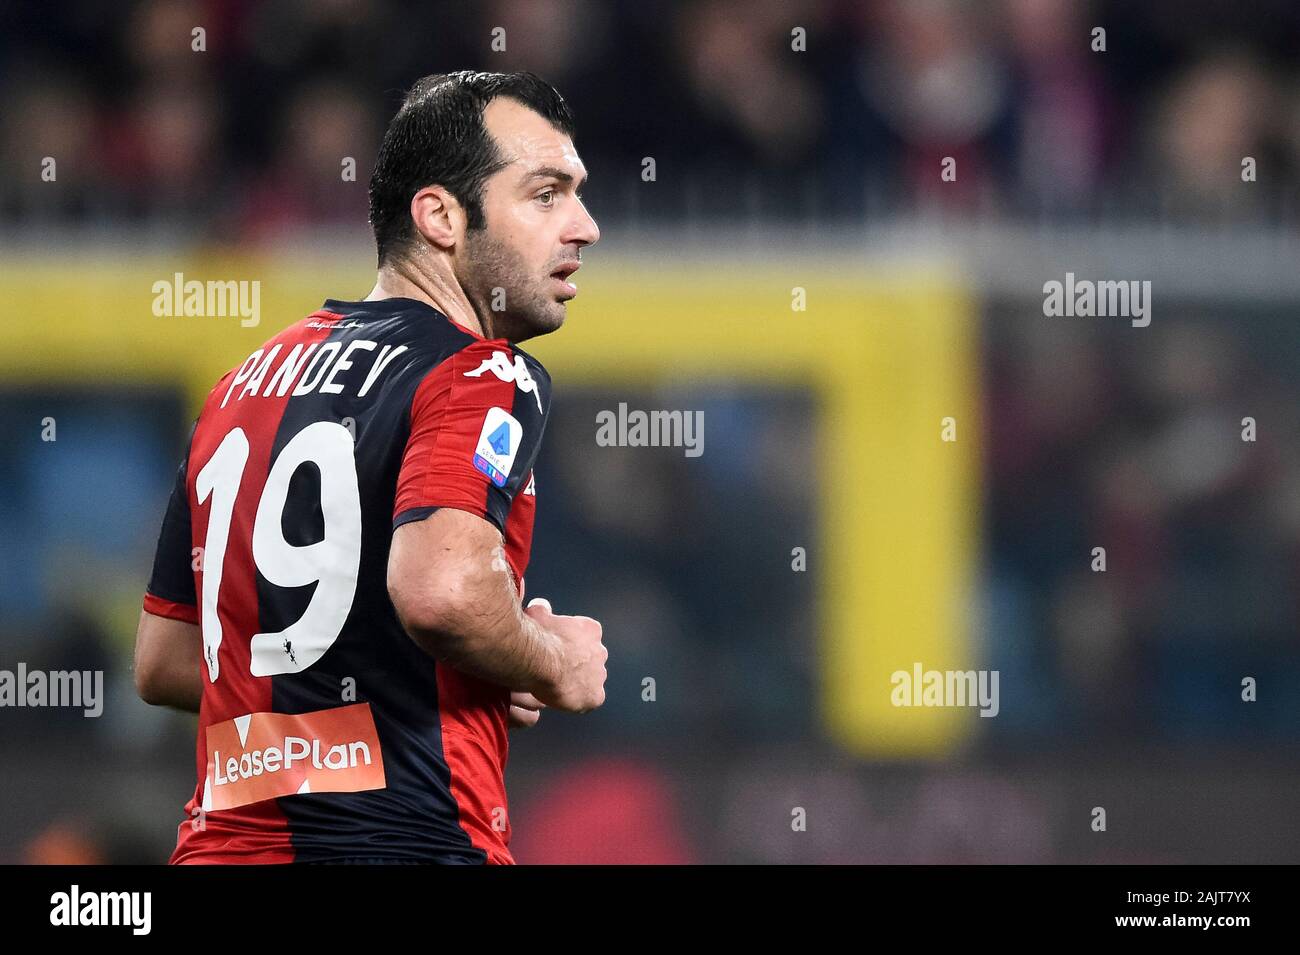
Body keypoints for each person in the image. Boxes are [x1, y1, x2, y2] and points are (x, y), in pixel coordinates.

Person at [132, 71, 606, 864]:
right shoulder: (481, 372)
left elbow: (170, 661)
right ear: (442, 217)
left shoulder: (240, 387)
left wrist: (487, 661)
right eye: (547, 193)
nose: (585, 226)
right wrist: (550, 661)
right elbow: (443, 593)